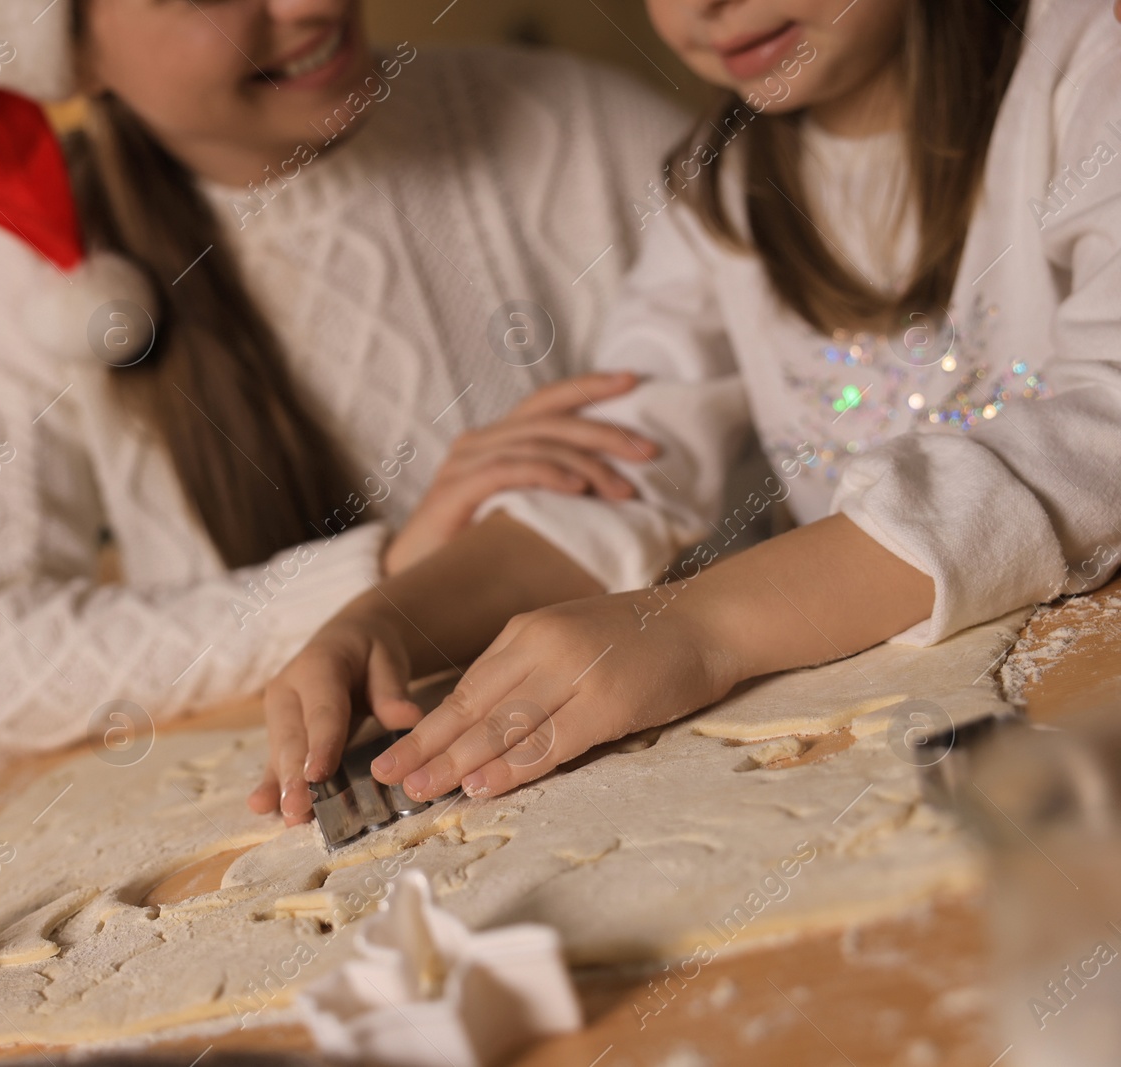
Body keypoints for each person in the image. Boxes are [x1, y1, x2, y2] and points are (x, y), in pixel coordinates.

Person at [0, 0, 733, 765]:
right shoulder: (46, 273)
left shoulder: (579, 126)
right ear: (73, 56)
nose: (309, 5)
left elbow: (811, 427)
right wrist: (377, 577)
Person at [261, 0, 1121, 818]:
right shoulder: (720, 186)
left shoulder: (1087, 63)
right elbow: (619, 458)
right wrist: (386, 617)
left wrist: (704, 627)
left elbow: (1105, 429)